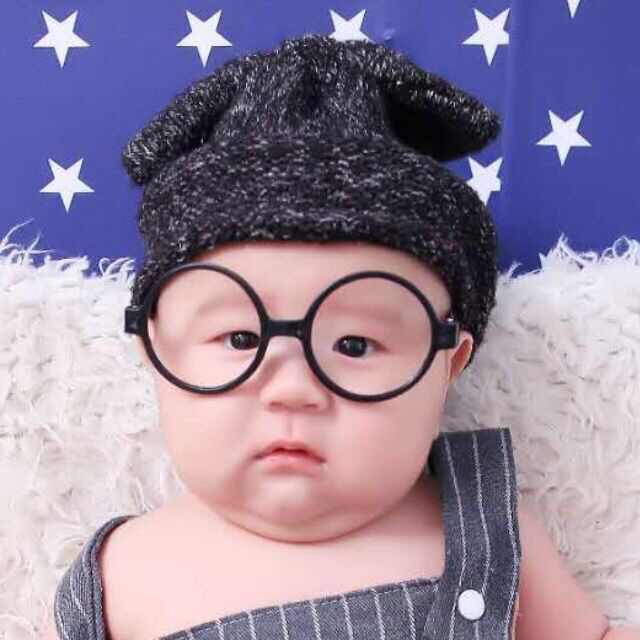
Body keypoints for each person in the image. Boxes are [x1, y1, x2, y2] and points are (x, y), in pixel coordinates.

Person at [44, 33, 635, 640]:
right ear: (152, 347)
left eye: (353, 346)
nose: (293, 390)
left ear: (448, 365)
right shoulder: (120, 575)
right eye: (241, 339)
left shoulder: (488, 536)